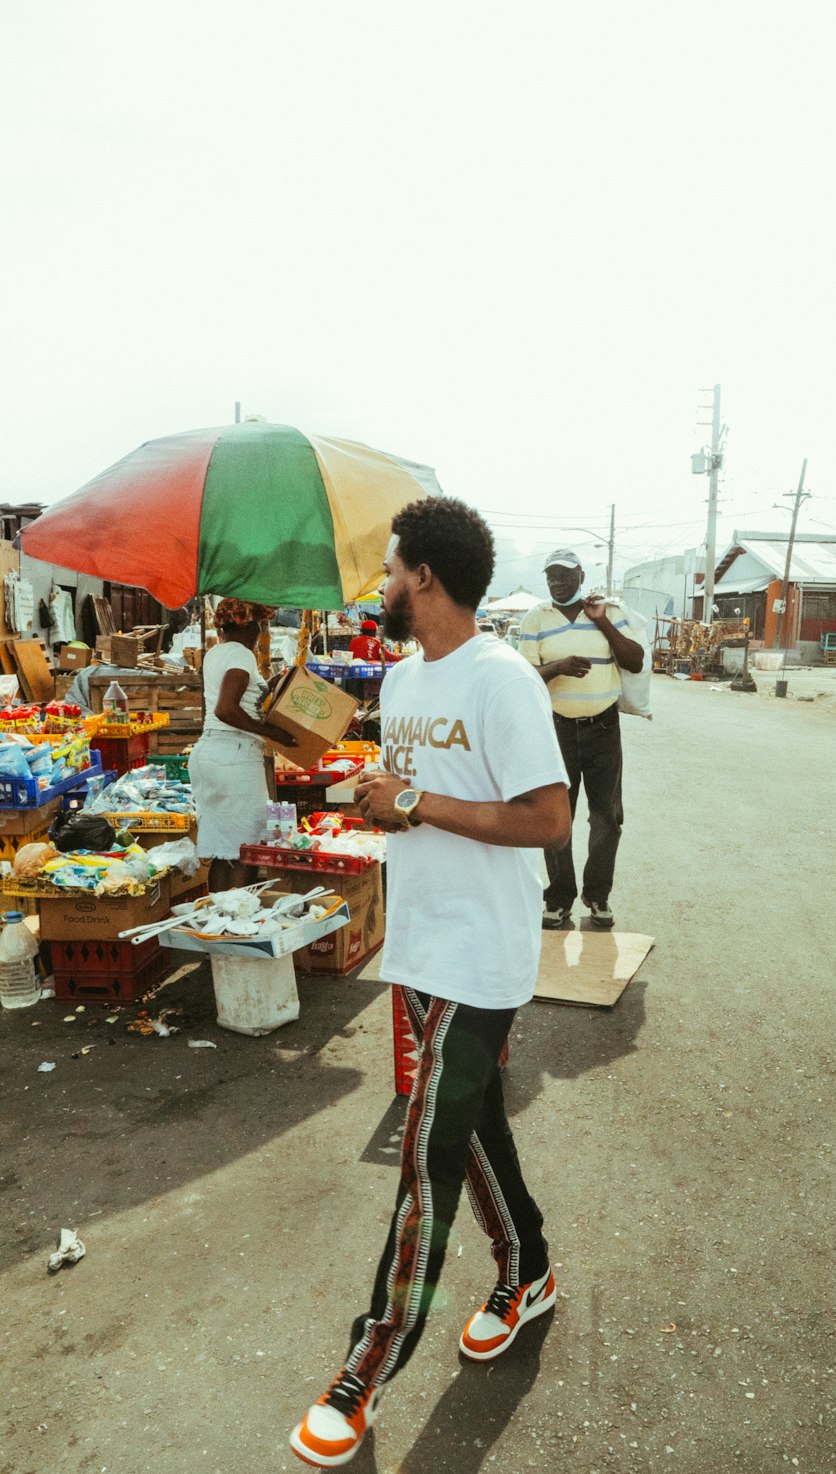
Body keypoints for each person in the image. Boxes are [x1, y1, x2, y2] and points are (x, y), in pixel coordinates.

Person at [289, 498, 570, 1469]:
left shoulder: (504, 682)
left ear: (428, 581)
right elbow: (418, 802)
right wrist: (383, 798)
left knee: (422, 1158)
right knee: (474, 1123)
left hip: (483, 956)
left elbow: (546, 818)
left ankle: (364, 1369)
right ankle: (527, 1266)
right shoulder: (404, 683)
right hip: (417, 942)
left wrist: (415, 799)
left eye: (391, 570)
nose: (380, 585)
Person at [517, 549, 643, 931]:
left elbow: (634, 660)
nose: (557, 581)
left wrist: (602, 622)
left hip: (603, 727)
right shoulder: (535, 617)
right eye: (551, 575)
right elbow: (520, 678)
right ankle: (558, 899)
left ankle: (598, 896)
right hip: (555, 729)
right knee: (556, 817)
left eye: (565, 574)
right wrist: (556, 667)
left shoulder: (608, 611)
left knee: (607, 817)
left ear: (581, 575)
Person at [187, 598, 295, 891]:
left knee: (226, 851)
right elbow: (226, 708)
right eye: (259, 624)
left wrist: (274, 684)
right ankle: (236, 917)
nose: (261, 632)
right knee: (247, 849)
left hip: (212, 754)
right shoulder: (241, 655)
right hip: (233, 756)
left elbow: (242, 697)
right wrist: (269, 731)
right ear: (246, 625)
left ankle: (220, 915)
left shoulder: (216, 653)